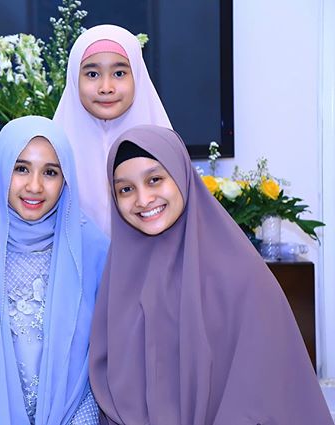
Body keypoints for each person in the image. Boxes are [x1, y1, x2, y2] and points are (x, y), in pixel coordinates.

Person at [89, 124, 333, 424]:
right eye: (125, 189)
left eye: (154, 180)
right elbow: (108, 381)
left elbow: (263, 392)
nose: (143, 199)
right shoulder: (119, 278)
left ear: (181, 175)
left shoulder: (242, 275)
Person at [0, 116, 109, 424]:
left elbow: (100, 360)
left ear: (66, 180)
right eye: (21, 168)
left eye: (50, 172)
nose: (34, 186)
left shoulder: (94, 252)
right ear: (1, 169)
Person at [53, 24, 170, 235]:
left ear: (137, 75)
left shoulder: (166, 148)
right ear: (74, 78)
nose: (106, 87)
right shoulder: (52, 151)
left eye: (119, 73)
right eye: (92, 74)